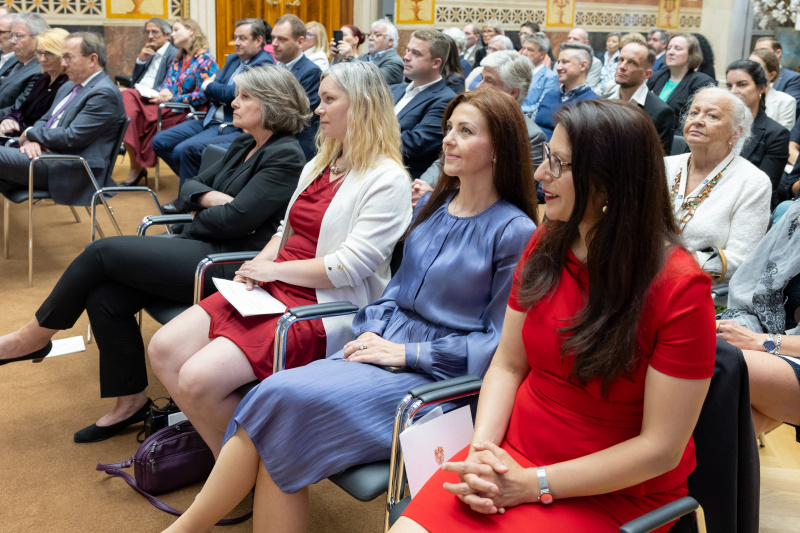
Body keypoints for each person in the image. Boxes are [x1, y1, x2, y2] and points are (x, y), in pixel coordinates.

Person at [158, 87, 538, 533]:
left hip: (440, 378)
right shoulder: (433, 208)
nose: (448, 139)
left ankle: (185, 529)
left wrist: (407, 353)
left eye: (466, 131)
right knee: (275, 403)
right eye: (449, 128)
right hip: (380, 350)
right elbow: (394, 292)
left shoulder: (514, 231)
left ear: (499, 149)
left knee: (280, 402)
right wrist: (372, 331)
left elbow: (498, 346)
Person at [394, 98, 716, 533]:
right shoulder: (545, 242)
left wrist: (533, 484)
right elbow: (508, 365)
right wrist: (483, 452)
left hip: (611, 489)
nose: (540, 174)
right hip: (511, 459)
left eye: (558, 164)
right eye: (547, 156)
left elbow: (660, 449)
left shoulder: (680, 288)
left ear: (609, 182)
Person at [0, 66, 310, 443]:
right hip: (203, 244)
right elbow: (190, 186)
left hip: (229, 264)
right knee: (106, 296)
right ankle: (130, 401)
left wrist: (204, 211)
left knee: (102, 251)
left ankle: (32, 338)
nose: (233, 102)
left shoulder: (286, 154)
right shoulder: (245, 143)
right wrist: (210, 201)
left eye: (245, 97)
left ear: (273, 104)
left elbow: (236, 220)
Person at [149, 61, 413, 455]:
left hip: (322, 304)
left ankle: (248, 471)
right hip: (276, 285)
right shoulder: (320, 162)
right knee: (163, 349)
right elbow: (283, 231)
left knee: (197, 380)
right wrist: (254, 270)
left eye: (329, 100)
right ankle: (232, 462)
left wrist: (272, 270)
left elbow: (347, 267)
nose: (317, 109)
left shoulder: (387, 178)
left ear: (362, 105)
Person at [150, 18, 273, 211]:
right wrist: (213, 87)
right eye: (235, 37)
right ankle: (200, 186)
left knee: (184, 150)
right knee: (161, 141)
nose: (237, 42)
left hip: (230, 123)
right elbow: (215, 90)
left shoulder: (263, 63)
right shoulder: (233, 58)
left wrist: (211, 86)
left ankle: (187, 202)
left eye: (242, 38)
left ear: (258, 40)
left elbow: (228, 93)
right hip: (209, 117)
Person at [0, 32, 125, 206]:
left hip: (69, 167)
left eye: (68, 57)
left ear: (92, 59)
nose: (63, 63)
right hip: (45, 155)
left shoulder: (104, 93)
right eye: (63, 57)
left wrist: (30, 133)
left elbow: (72, 137)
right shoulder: (69, 85)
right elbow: (44, 120)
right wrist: (32, 140)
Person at [666, 87, 771, 284]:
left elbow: (741, 260)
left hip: (699, 287)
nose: (698, 120)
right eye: (694, 113)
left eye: (712, 116)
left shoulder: (753, 182)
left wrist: (673, 262)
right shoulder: (664, 166)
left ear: (736, 132)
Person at [717, 198, 800, 436]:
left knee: (721, 362)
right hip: (775, 341)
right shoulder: (795, 212)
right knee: (724, 416)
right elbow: (751, 289)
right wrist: (737, 330)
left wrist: (760, 341)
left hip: (781, 346)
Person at [418, 50, 545, 190]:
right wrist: (420, 186)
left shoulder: (531, 136)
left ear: (513, 92)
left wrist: (434, 194)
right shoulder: (469, 117)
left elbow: (512, 189)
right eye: (481, 78)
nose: (478, 86)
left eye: (489, 81)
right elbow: (443, 160)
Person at [121, 18, 217, 190]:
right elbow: (167, 83)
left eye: (176, 30)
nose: (172, 34)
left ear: (191, 31)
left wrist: (172, 99)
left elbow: (204, 95)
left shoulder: (205, 59)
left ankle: (193, 179)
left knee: (138, 116)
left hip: (190, 111)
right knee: (128, 98)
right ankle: (137, 165)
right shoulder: (179, 58)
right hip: (169, 107)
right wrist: (165, 90)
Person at [391, 29, 457, 180]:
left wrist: (367, 133)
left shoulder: (446, 100)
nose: (406, 57)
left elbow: (414, 145)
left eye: (416, 53)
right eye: (408, 50)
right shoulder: (393, 90)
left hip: (403, 178)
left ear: (436, 63)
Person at [725, 60, 789, 209]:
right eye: (729, 86)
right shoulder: (719, 125)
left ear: (761, 88)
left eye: (742, 85)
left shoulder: (776, 134)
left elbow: (763, 189)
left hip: (748, 205)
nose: (733, 91)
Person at [608, 41, 675, 154]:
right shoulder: (603, 101)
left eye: (632, 63)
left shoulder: (660, 112)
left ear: (647, 74)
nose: (622, 66)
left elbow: (659, 160)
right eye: (621, 59)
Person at [0, 28, 69, 136]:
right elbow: (23, 109)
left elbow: (50, 123)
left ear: (62, 55)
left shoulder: (68, 84)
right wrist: (9, 119)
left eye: (49, 53)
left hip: (34, 138)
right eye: (39, 53)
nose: (42, 59)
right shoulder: (44, 79)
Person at [647, 33, 715, 129]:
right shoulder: (655, 77)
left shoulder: (701, 82)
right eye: (669, 48)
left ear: (691, 54)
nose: (670, 52)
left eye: (677, 49)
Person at [535, 43, 598, 139]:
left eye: (564, 62)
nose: (558, 67)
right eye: (558, 62)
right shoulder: (549, 95)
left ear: (583, 65)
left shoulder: (593, 103)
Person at [0, 13, 48, 118]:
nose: (13, 41)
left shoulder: (41, 70)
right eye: (11, 36)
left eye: (18, 36)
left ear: (38, 38)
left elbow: (19, 109)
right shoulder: (13, 59)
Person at [749, 49, 795, 130]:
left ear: (772, 75)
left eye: (756, 69)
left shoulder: (785, 101)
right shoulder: (735, 96)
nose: (749, 73)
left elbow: (781, 134)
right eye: (747, 68)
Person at [754, 36, 800, 117]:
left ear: (778, 53)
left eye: (763, 51)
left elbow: (788, 108)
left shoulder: (794, 78)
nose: (758, 55)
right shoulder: (750, 77)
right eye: (756, 52)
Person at [129, 19, 177, 94]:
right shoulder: (148, 51)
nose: (150, 36)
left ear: (167, 35)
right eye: (147, 32)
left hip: (153, 94)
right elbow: (134, 80)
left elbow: (169, 85)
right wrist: (140, 61)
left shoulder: (174, 54)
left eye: (155, 32)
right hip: (137, 91)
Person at [520, 32, 559, 118]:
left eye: (530, 50)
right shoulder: (518, 71)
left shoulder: (550, 77)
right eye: (524, 48)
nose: (524, 53)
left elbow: (544, 106)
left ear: (542, 54)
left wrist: (516, 109)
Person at [357, 19, 404, 85]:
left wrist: (350, 57)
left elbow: (372, 79)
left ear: (390, 41)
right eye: (370, 34)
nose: (370, 38)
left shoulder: (395, 63)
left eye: (377, 35)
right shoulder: (363, 57)